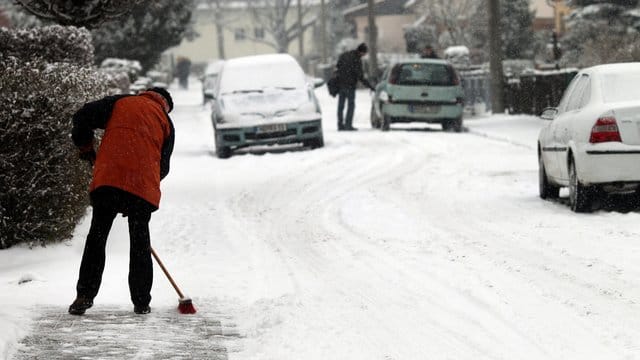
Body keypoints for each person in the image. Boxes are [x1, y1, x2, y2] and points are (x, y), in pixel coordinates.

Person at [68, 87, 175, 316]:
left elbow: (82, 116)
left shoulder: (120, 102)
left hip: (109, 179)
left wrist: (86, 146)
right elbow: (163, 167)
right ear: (166, 105)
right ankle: (141, 301)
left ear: (143, 93)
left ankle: (84, 295)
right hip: (141, 187)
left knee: (97, 237)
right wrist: (140, 188)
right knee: (140, 242)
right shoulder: (166, 122)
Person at [335, 42, 375, 131]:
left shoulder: (344, 55)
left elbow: (337, 67)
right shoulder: (357, 60)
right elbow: (360, 76)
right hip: (350, 86)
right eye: (364, 53)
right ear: (362, 52)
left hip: (341, 84)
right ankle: (348, 125)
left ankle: (340, 124)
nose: (364, 55)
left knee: (341, 106)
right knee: (351, 105)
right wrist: (370, 86)